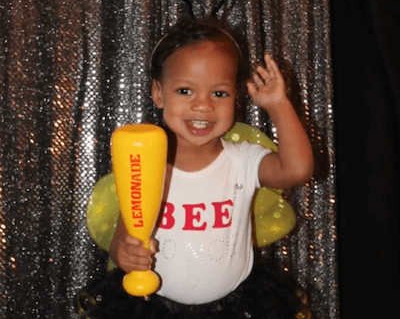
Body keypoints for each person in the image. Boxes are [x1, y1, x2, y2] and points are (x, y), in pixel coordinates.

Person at [76, 18, 314, 319]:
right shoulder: (146, 167)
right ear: (158, 93)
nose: (203, 106)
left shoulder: (244, 160)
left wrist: (278, 104)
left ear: (236, 97)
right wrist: (124, 253)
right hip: (152, 308)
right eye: (185, 91)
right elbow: (125, 235)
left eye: (219, 93)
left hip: (236, 307)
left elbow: (298, 170)